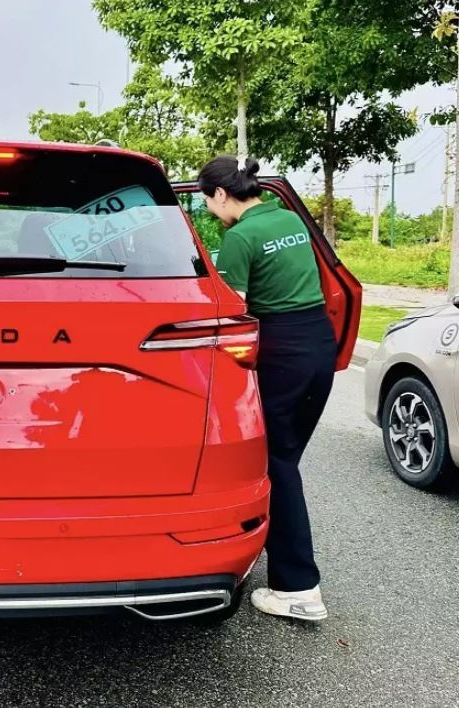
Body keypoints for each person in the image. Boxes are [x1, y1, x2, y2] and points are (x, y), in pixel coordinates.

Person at [198, 155, 335, 622]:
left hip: (282, 352)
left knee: (275, 465)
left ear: (220, 193)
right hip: (318, 346)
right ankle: (278, 562)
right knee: (285, 458)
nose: (210, 211)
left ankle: (298, 588)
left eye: (208, 202)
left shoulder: (240, 238)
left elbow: (229, 311)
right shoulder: (289, 219)